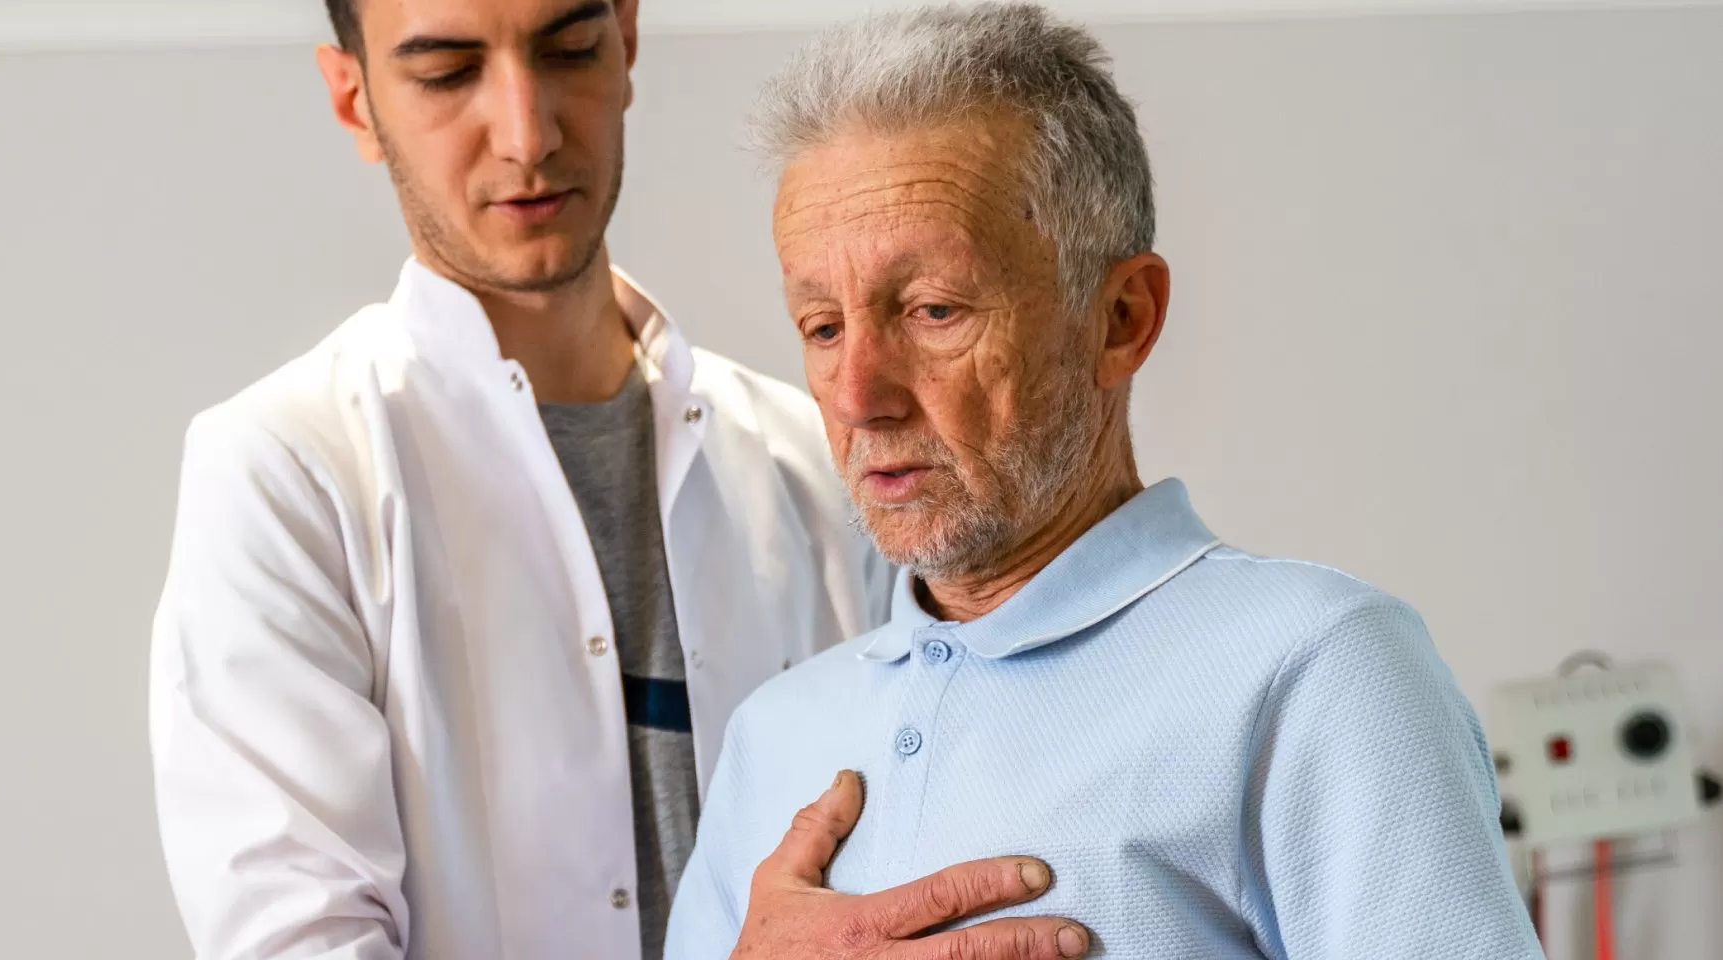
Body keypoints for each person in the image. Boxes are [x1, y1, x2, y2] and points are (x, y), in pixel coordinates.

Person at [149, 1, 1095, 958]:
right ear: (354, 101)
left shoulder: (818, 455)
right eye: (447, 73)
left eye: (569, 51)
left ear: (629, 41)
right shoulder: (286, 474)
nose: (528, 133)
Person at [665, 4, 1541, 958]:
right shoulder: (775, 735)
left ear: (1122, 317)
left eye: (932, 309)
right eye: (823, 327)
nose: (859, 395)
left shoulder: (1319, 670)